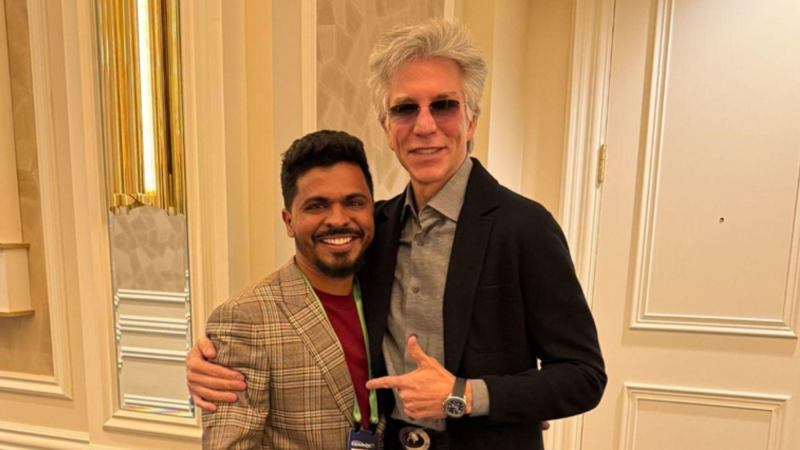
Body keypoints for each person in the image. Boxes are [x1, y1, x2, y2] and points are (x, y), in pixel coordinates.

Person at [188, 20, 606, 450]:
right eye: (405, 109)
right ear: (387, 128)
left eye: (443, 105)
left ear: (471, 121)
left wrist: (466, 395)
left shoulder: (525, 227)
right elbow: (303, 297)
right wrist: (208, 361)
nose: (424, 126)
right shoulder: (376, 228)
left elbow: (584, 376)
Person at [201, 130, 382, 449]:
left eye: (354, 202)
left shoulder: (387, 291)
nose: (338, 219)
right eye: (317, 206)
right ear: (288, 221)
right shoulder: (245, 318)